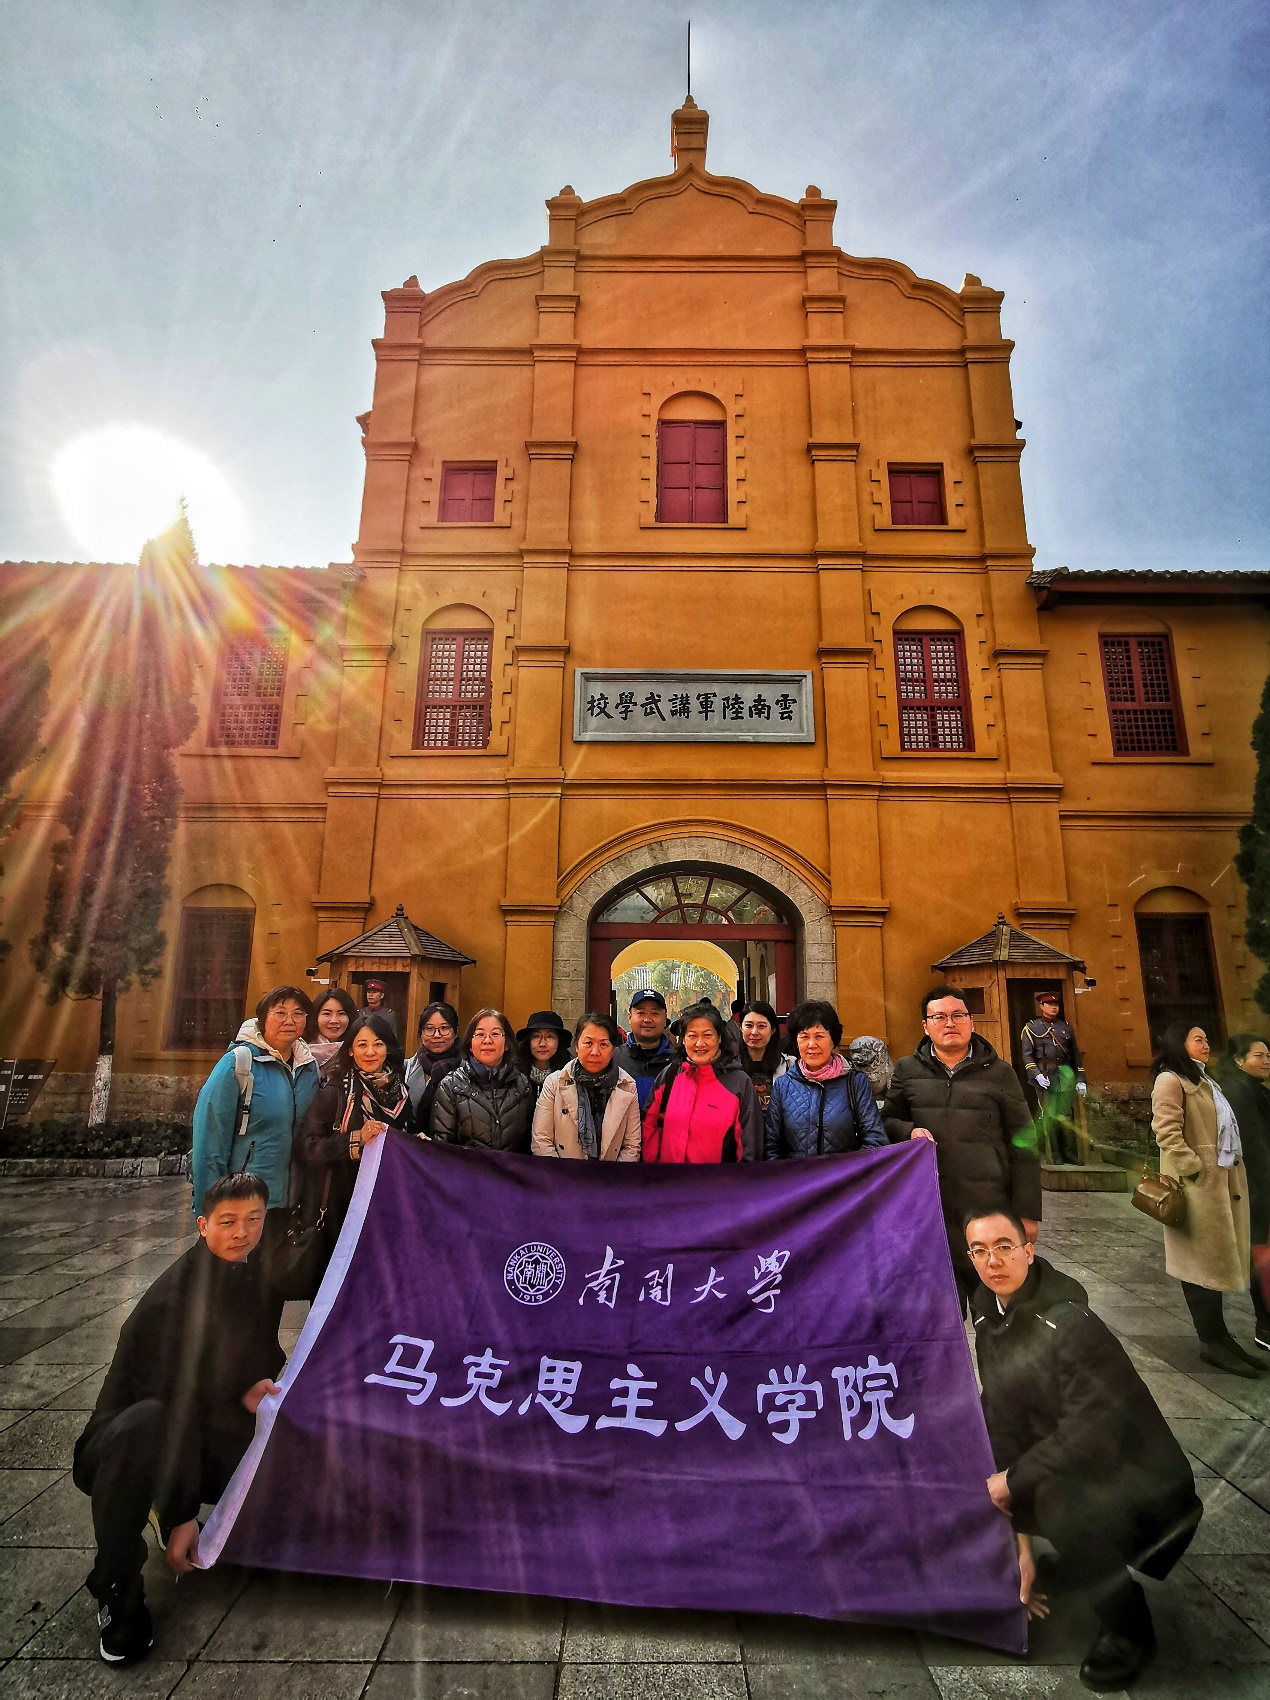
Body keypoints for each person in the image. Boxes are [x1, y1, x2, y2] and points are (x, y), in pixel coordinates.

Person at [967, 1209, 1202, 1692]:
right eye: (980, 1250)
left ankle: (1128, 1626)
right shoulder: (990, 1311)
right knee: (999, 1473)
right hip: (1070, 1453)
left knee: (1056, 1499)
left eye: (1004, 1247)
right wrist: (1019, 1544)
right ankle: (1074, 1562)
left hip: (1136, 1473)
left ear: (1028, 1250)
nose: (993, 1261)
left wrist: (1015, 1482)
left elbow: (1093, 1431)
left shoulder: (1072, 1325)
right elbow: (1002, 1416)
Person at [73, 1174, 284, 1665]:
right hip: (124, 1444)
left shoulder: (245, 1272)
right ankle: (116, 1589)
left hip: (196, 1421)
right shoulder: (172, 1301)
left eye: (253, 1219)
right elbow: (170, 1409)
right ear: (202, 1226)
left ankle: (178, 1508)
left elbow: (244, 1353)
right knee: (147, 1426)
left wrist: (249, 1387)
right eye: (227, 1222)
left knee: (278, 1442)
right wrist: (181, 1512)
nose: (241, 1232)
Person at [883, 986, 1038, 1304]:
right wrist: (909, 1131)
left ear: (971, 1021)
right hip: (931, 1211)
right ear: (926, 1026)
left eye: (958, 1015)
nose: (950, 1023)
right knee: (940, 1309)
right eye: (939, 1017)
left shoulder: (1000, 1073)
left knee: (993, 1308)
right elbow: (887, 1122)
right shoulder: (907, 1070)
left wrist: (1027, 1212)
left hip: (989, 1209)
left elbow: (1025, 1143)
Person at [190, 985, 320, 1310]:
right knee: (234, 1300)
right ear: (263, 1018)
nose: (289, 1020)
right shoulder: (239, 1064)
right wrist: (210, 1210)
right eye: (280, 1012)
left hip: (287, 1205)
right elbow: (209, 1139)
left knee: (271, 1298)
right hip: (243, 1206)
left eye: (298, 1013)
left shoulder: (309, 1067)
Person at [1151, 1022, 1260, 1376]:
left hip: (1219, 1186)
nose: (1206, 1044)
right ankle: (1211, 1341)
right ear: (1178, 1043)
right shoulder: (1170, 1080)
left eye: (1206, 1038)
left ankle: (1220, 1338)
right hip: (1196, 1189)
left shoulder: (1204, 1080)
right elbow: (1165, 1129)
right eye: (1197, 1039)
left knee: (1211, 1263)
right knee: (1199, 1266)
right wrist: (1194, 1169)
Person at [294, 1013, 413, 1259]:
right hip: (343, 1205)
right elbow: (306, 1147)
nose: (370, 1052)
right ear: (350, 1050)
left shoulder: (401, 1093)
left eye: (378, 1044)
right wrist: (355, 1139)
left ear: (388, 1049)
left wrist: (416, 1144)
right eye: (362, 1044)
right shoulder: (336, 1093)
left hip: (389, 1204)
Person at [642, 1000, 761, 1163]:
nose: (699, 1043)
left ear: (719, 1038)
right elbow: (649, 1126)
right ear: (683, 1040)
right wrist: (653, 1171)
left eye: (707, 1035)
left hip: (718, 1179)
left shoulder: (739, 1083)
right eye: (692, 1035)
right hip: (669, 1178)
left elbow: (750, 1146)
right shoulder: (669, 1075)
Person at [765, 1000, 887, 1159]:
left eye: (819, 1036)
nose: (811, 1044)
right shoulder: (783, 1085)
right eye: (804, 1036)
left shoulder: (855, 1082)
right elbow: (772, 1146)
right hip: (797, 1174)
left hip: (846, 1174)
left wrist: (848, 1170)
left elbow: (875, 1139)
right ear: (796, 1041)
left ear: (832, 1040)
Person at [1213, 1033, 1270, 1351]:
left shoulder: (1253, 1090)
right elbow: (1254, 1146)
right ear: (1238, 1060)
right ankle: (1266, 1325)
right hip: (1257, 1188)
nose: (1266, 1061)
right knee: (1261, 1254)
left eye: (1268, 1056)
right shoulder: (1239, 1091)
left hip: (1258, 1187)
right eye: (1258, 1055)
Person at [531, 1012, 641, 1160]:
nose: (595, 1052)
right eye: (588, 1043)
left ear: (613, 1049)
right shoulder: (554, 1083)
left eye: (603, 1044)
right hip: (562, 1172)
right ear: (577, 1046)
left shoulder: (627, 1085)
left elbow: (631, 1146)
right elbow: (541, 1140)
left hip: (612, 1172)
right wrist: (560, 1173)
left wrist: (613, 1174)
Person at [429, 1007, 534, 1153]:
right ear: (470, 1045)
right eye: (479, 1034)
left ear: (507, 1044)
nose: (487, 1040)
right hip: (466, 1167)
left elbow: (529, 1144)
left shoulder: (522, 1085)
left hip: (510, 1167)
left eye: (495, 1034)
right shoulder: (451, 1085)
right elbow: (441, 1146)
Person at [1021, 992, 1087, 1166]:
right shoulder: (1031, 1028)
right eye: (1049, 1004)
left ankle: (1070, 1154)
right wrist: (1036, 1074)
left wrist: (1081, 1079)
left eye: (1056, 1005)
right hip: (1045, 1075)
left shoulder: (1065, 1027)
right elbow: (1027, 1055)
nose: (1054, 1007)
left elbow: (1075, 1056)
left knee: (1066, 1116)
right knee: (1049, 1116)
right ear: (1041, 1006)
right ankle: (1055, 1154)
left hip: (1064, 1075)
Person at [614, 989, 676, 1115]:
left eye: (655, 1013)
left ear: (665, 1018)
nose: (647, 1019)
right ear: (629, 1017)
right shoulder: (615, 1059)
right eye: (641, 1013)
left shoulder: (678, 1061)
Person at [405, 1001, 462, 1130]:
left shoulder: (468, 1071)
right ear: (421, 1033)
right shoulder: (405, 1069)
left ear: (455, 1032)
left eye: (444, 1028)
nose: (437, 1035)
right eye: (429, 1029)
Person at [737, 1000, 790, 1115]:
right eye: (749, 1025)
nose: (754, 1032)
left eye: (761, 1026)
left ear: (773, 1029)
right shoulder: (729, 1067)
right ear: (740, 1027)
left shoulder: (790, 1067)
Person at [516, 1010, 572, 1107]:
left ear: (559, 1042)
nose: (542, 1044)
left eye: (549, 1036)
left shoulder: (569, 1076)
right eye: (536, 1036)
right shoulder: (514, 1075)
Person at [307, 986, 358, 1078]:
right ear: (315, 1017)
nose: (334, 1020)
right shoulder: (300, 1050)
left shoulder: (358, 1051)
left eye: (341, 1013)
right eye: (327, 1014)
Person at [847, 1034, 894, 1113]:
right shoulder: (853, 1070)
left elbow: (892, 1090)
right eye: (854, 1052)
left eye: (863, 1052)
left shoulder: (885, 1066)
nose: (856, 1056)